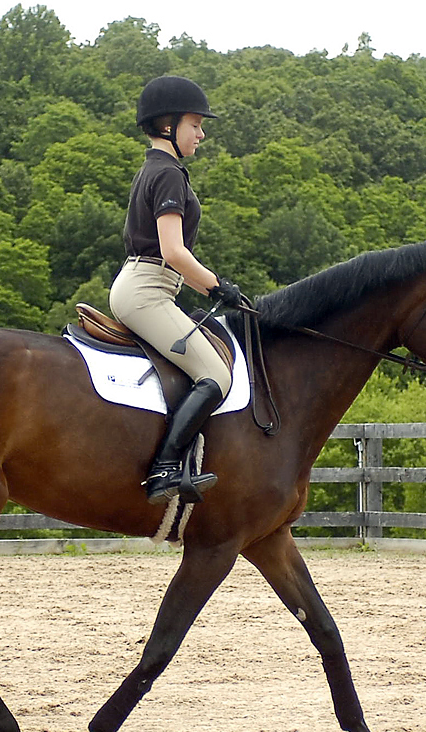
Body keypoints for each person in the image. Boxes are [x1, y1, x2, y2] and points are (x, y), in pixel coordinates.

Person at [110, 75, 246, 505]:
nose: (201, 134)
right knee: (216, 375)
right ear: (167, 125)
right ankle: (165, 469)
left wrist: (208, 287)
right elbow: (173, 251)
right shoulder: (169, 174)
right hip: (147, 290)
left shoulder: (156, 169)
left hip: (149, 286)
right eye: (195, 124)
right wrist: (217, 286)